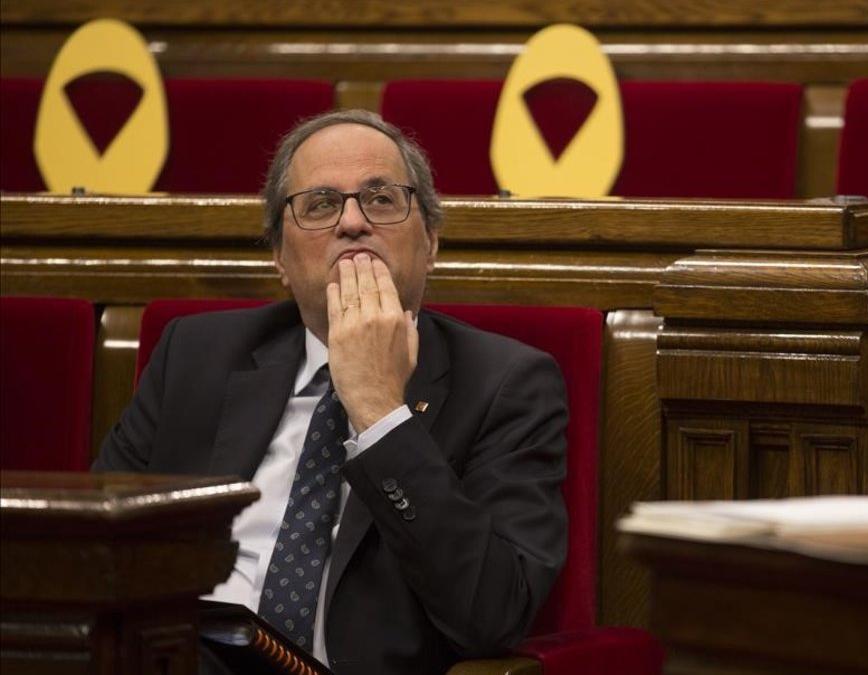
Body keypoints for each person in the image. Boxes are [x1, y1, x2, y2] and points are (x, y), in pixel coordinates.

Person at [94, 110, 568, 675]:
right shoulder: (194, 355)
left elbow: (492, 614)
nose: (352, 223)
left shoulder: (506, 384)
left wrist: (378, 411)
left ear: (431, 241)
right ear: (280, 258)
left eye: (382, 199)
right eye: (320, 204)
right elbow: (93, 550)